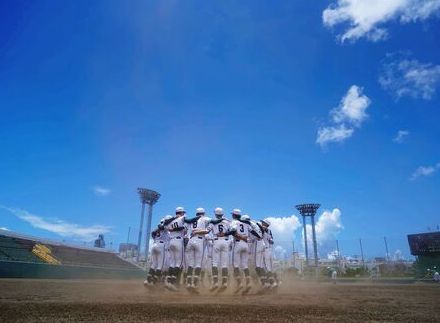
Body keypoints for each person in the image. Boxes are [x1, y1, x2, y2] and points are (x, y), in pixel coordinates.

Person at [201, 207, 231, 292]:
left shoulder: (212, 222)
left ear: (215, 214)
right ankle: (224, 283)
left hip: (216, 241)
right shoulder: (227, 221)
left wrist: (197, 231)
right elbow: (233, 230)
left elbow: (207, 231)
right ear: (222, 213)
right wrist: (225, 233)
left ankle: (215, 283)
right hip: (225, 241)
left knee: (215, 263)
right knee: (224, 264)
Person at [184, 207, 210, 293]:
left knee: (191, 264)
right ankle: (194, 284)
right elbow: (213, 222)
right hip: (199, 241)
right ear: (204, 213)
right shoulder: (204, 219)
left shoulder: (191, 221)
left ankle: (188, 283)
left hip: (191, 241)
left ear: (196, 214)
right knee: (198, 264)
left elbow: (186, 232)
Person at [164, 206, 187, 291]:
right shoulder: (182, 218)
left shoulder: (171, 221)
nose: (184, 214)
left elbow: (164, 224)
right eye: (183, 212)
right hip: (178, 241)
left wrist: (172, 228)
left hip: (171, 242)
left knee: (172, 264)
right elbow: (183, 228)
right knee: (179, 264)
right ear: (181, 213)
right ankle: (172, 283)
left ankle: (168, 281)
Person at [261, 218, 277, 289]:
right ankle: (272, 282)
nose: (262, 223)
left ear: (266, 224)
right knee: (269, 268)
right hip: (269, 250)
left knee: (266, 268)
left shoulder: (263, 229)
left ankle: (273, 283)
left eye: (263, 223)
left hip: (265, 250)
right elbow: (272, 240)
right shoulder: (269, 231)